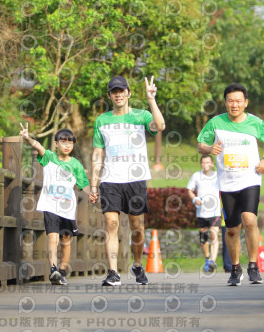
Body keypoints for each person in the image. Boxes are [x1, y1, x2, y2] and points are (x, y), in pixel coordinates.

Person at [91, 75, 165, 286]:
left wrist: (151, 99)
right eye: (114, 91)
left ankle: (138, 265)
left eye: (122, 91)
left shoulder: (141, 116)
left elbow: (160, 126)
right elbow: (97, 155)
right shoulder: (102, 121)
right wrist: (94, 184)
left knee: (137, 227)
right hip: (110, 179)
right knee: (111, 223)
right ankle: (113, 272)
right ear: (110, 96)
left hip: (135, 178)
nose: (119, 94)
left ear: (129, 93)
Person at [197, 83, 264, 286]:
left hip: (250, 179)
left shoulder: (256, 123)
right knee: (232, 228)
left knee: (249, 220)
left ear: (245, 103)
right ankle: (235, 268)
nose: (234, 105)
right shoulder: (215, 122)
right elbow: (200, 145)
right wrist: (209, 148)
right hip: (226, 183)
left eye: (238, 101)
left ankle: (253, 266)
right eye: (230, 101)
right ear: (225, 103)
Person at [19, 124, 98, 285]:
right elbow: (38, 146)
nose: (67, 145)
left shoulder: (75, 164)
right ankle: (53, 269)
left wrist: (91, 193)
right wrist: (27, 138)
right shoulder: (49, 157)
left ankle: (62, 270)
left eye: (70, 142)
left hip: (67, 208)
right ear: (56, 144)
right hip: (50, 205)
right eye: (63, 142)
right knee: (53, 239)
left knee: (66, 240)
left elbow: (83, 184)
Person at [186, 155, 221, 273]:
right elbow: (189, 190)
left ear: (212, 164)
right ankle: (207, 258)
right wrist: (195, 199)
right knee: (204, 238)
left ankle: (213, 261)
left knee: (214, 234)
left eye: (208, 162)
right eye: (203, 162)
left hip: (215, 211)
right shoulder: (196, 176)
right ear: (201, 164)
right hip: (201, 212)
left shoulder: (218, 176)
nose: (205, 165)